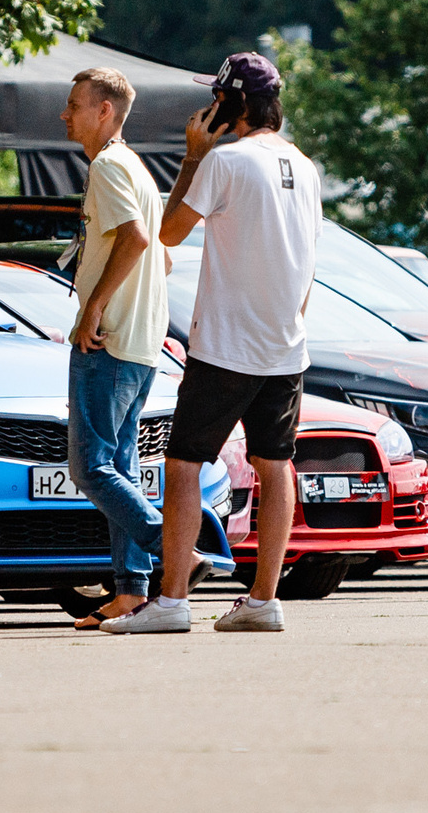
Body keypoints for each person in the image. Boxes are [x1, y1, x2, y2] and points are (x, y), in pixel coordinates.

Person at [107, 52, 321, 635]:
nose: (209, 108)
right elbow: (306, 266)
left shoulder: (225, 162)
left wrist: (192, 159)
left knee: (181, 467)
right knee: (275, 465)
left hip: (226, 345)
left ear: (238, 104)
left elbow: (165, 234)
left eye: (218, 98)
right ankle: (264, 600)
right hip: (286, 345)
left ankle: (172, 601)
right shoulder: (305, 168)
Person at [59, 67, 172, 630]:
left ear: (104, 111)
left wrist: (94, 306)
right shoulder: (137, 168)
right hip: (142, 340)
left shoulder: (107, 165)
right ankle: (131, 591)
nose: (65, 115)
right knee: (120, 466)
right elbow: (161, 257)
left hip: (111, 339)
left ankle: (176, 552)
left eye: (75, 104)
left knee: (91, 469)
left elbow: (137, 239)